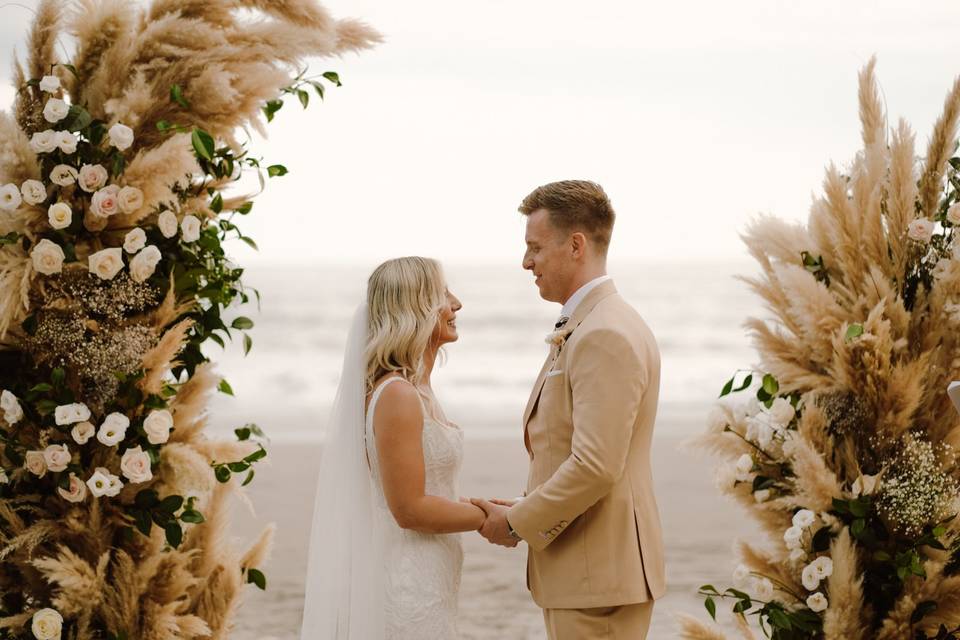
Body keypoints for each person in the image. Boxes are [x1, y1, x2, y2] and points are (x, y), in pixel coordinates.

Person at [473, 180, 666, 639]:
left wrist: (518, 522)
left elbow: (597, 465)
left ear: (576, 244)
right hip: (590, 574)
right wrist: (529, 502)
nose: (526, 262)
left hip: (596, 578)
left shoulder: (605, 334)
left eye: (535, 247)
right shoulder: (597, 322)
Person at [301, 256, 483, 639]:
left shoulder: (416, 389)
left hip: (430, 572)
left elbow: (427, 487)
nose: (457, 303)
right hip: (407, 581)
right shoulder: (398, 395)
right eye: (443, 294)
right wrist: (491, 520)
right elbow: (410, 509)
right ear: (415, 307)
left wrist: (486, 507)